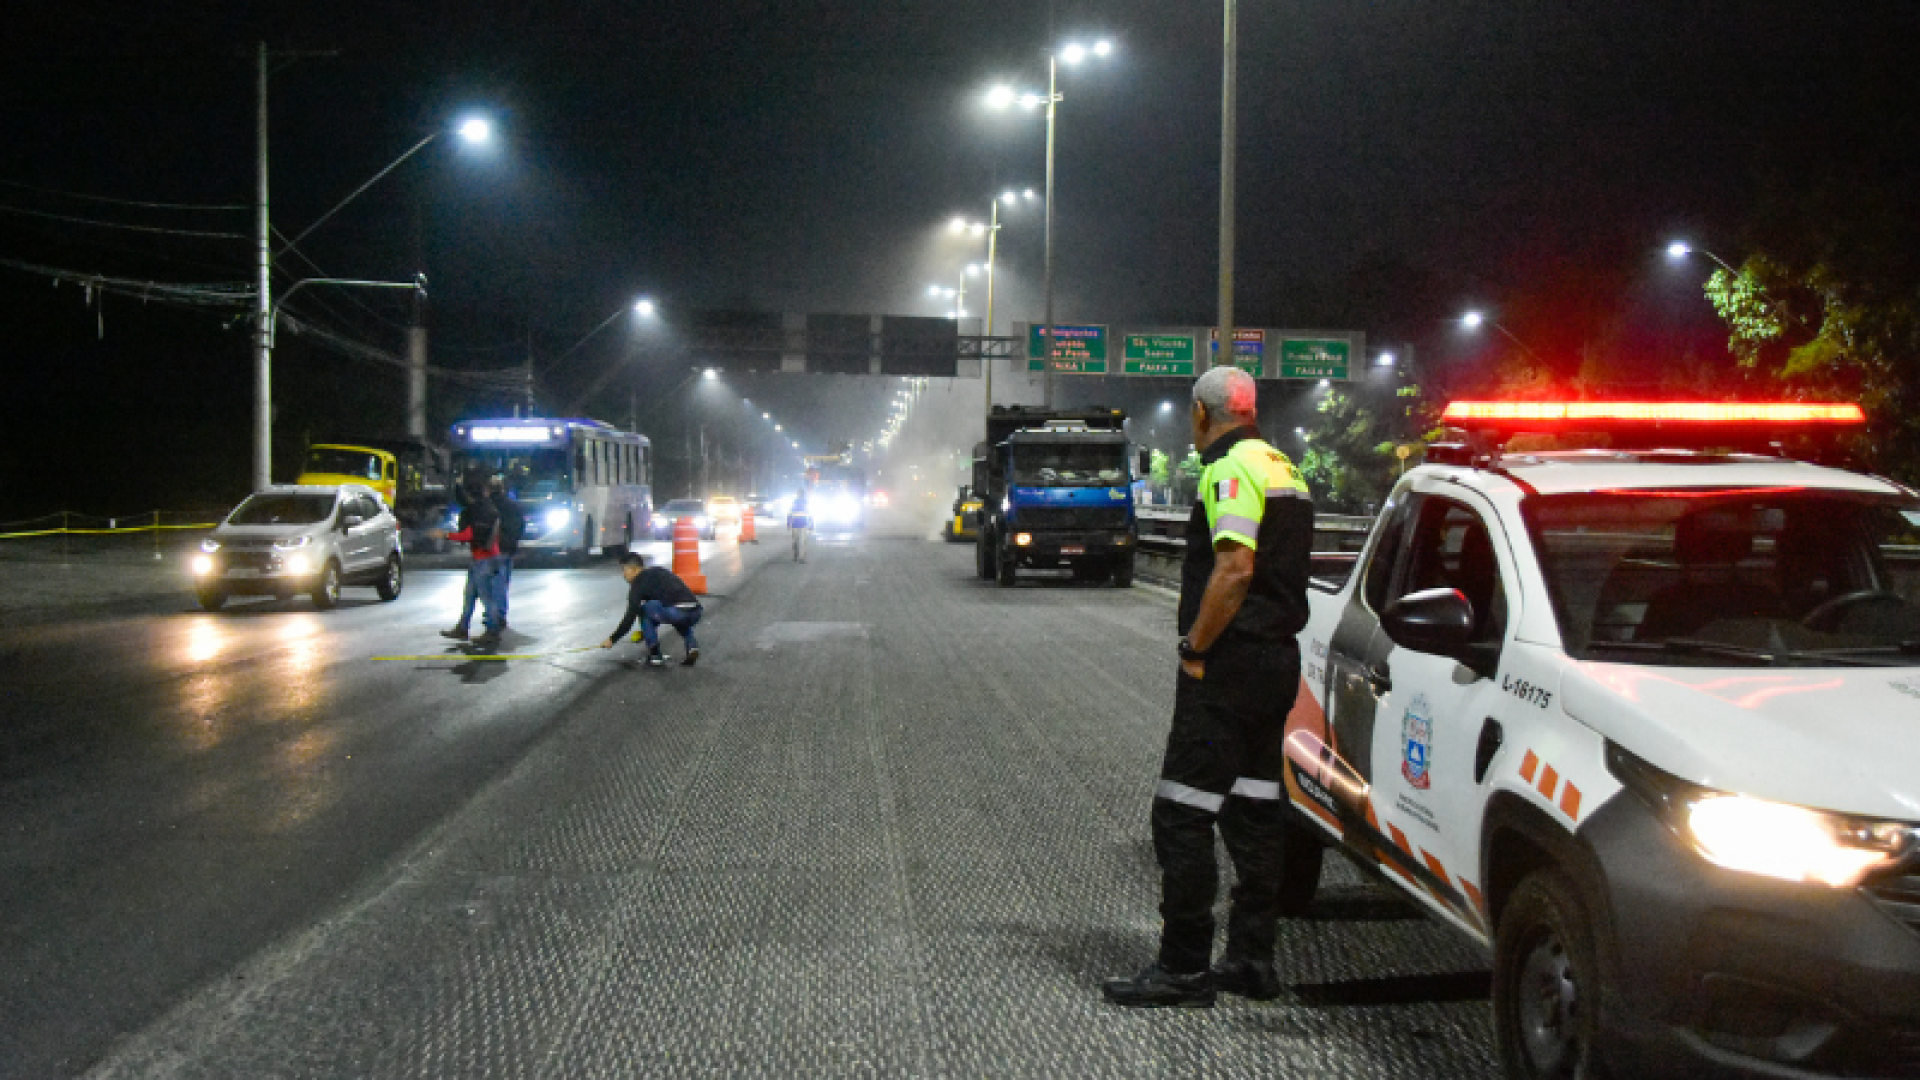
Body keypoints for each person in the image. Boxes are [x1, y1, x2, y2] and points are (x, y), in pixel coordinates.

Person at [1103, 365, 1315, 1009]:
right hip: (1277, 662)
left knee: (1182, 812)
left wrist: (1196, 647)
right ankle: (1252, 959)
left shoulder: (1228, 471)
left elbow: (1234, 567)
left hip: (1229, 667)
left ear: (1202, 413)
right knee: (1254, 810)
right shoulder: (1285, 467)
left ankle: (1185, 967)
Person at [600, 551, 702, 667]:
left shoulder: (637, 585)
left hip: (675, 611)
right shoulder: (659, 570)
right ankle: (692, 646)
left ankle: (655, 655)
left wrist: (612, 639)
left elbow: (630, 616)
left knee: (643, 610)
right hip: (695, 610)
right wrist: (646, 631)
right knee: (675, 613)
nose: (623, 575)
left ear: (635, 569)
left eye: (624, 570)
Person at [440, 475, 506, 649]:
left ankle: (492, 631)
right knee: (470, 595)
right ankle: (463, 627)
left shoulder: (479, 511)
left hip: (484, 559)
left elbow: (469, 535)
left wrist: (446, 535)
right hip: (486, 558)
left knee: (486, 597)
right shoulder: (487, 507)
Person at [488, 474, 526, 631]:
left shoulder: (489, 505)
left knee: (493, 585)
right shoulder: (513, 505)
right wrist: (514, 542)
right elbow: (521, 526)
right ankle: (501, 615)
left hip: (495, 550)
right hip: (508, 549)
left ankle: (494, 618)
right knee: (503, 584)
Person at [787, 489, 812, 562]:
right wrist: (788, 523)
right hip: (799, 524)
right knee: (798, 541)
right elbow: (789, 513)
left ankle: (801, 557)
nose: (800, 495)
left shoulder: (804, 503)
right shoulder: (795, 503)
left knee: (801, 541)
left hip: (800, 524)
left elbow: (810, 514)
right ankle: (798, 555)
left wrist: (788, 524)